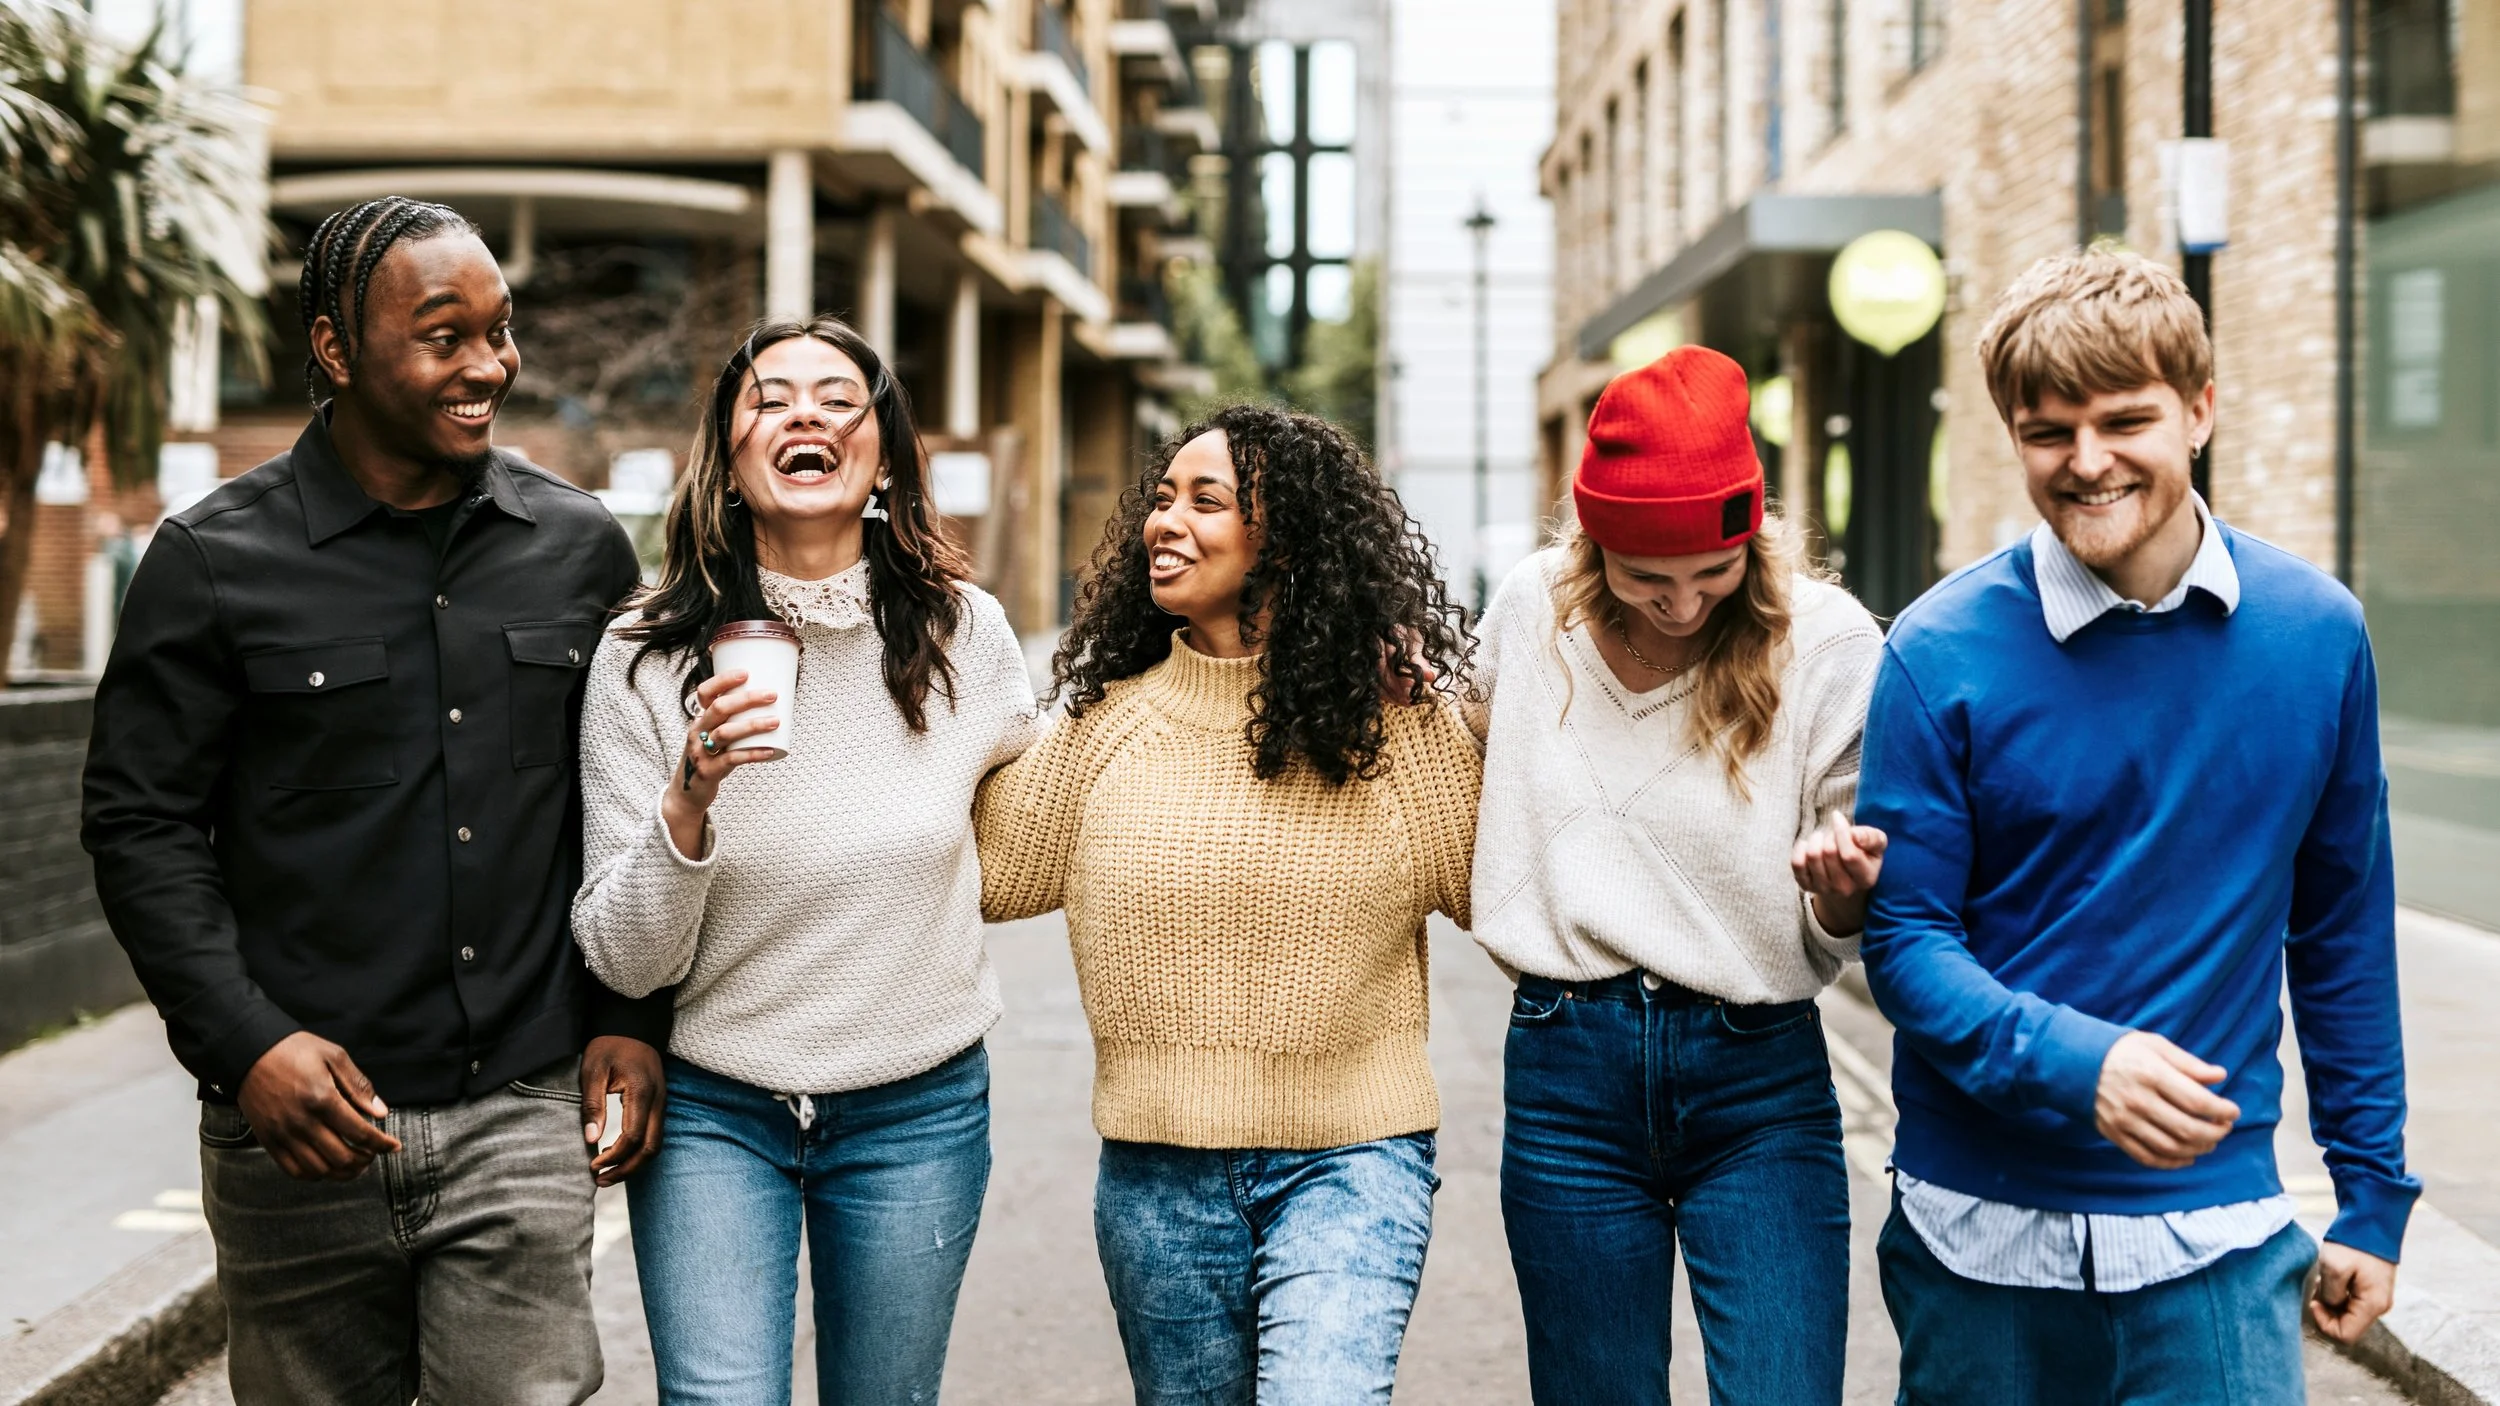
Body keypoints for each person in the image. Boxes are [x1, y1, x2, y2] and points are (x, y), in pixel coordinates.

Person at [80, 197, 669, 1405]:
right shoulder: (209, 562)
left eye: (500, 332)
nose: (488, 366)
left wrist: (627, 1016)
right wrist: (246, 1047)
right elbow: (139, 827)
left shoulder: (579, 547)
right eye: (444, 334)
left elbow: (619, 806)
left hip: (519, 1103)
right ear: (336, 348)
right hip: (298, 1128)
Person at [1853, 247, 2418, 1404]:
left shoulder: (2317, 635)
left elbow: (2342, 930)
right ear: (2013, 435)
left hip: (2212, 1232)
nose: (2087, 460)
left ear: (2200, 410)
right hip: (1977, 1236)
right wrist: (2078, 1060)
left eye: (2124, 419)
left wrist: (2370, 1192)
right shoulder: (1934, 648)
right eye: (2047, 430)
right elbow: (1904, 939)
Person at [570, 315, 1036, 1404]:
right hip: (714, 1108)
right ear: (728, 462)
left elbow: (1050, 816)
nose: (806, 414)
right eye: (770, 398)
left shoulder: (968, 634)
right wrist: (691, 793)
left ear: (881, 453)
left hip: (917, 1107)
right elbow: (623, 958)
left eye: (839, 396)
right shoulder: (643, 654)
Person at [973, 404, 1479, 1405]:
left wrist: (1449, 695)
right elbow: (989, 872)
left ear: (1286, 539)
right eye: (1161, 498)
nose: (1166, 519)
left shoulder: (1390, 724)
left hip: (1352, 1161)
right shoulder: (1105, 724)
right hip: (1157, 1179)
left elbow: (1497, 888)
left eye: (1206, 500)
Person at [1463, 345, 1885, 1405]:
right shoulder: (1527, 614)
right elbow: (1451, 757)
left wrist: (1842, 892)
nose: (1684, 605)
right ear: (1590, 540)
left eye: (1713, 572)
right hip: (1567, 1069)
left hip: (1759, 1077)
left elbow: (1848, 911)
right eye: (1647, 576)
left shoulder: (1826, 641)